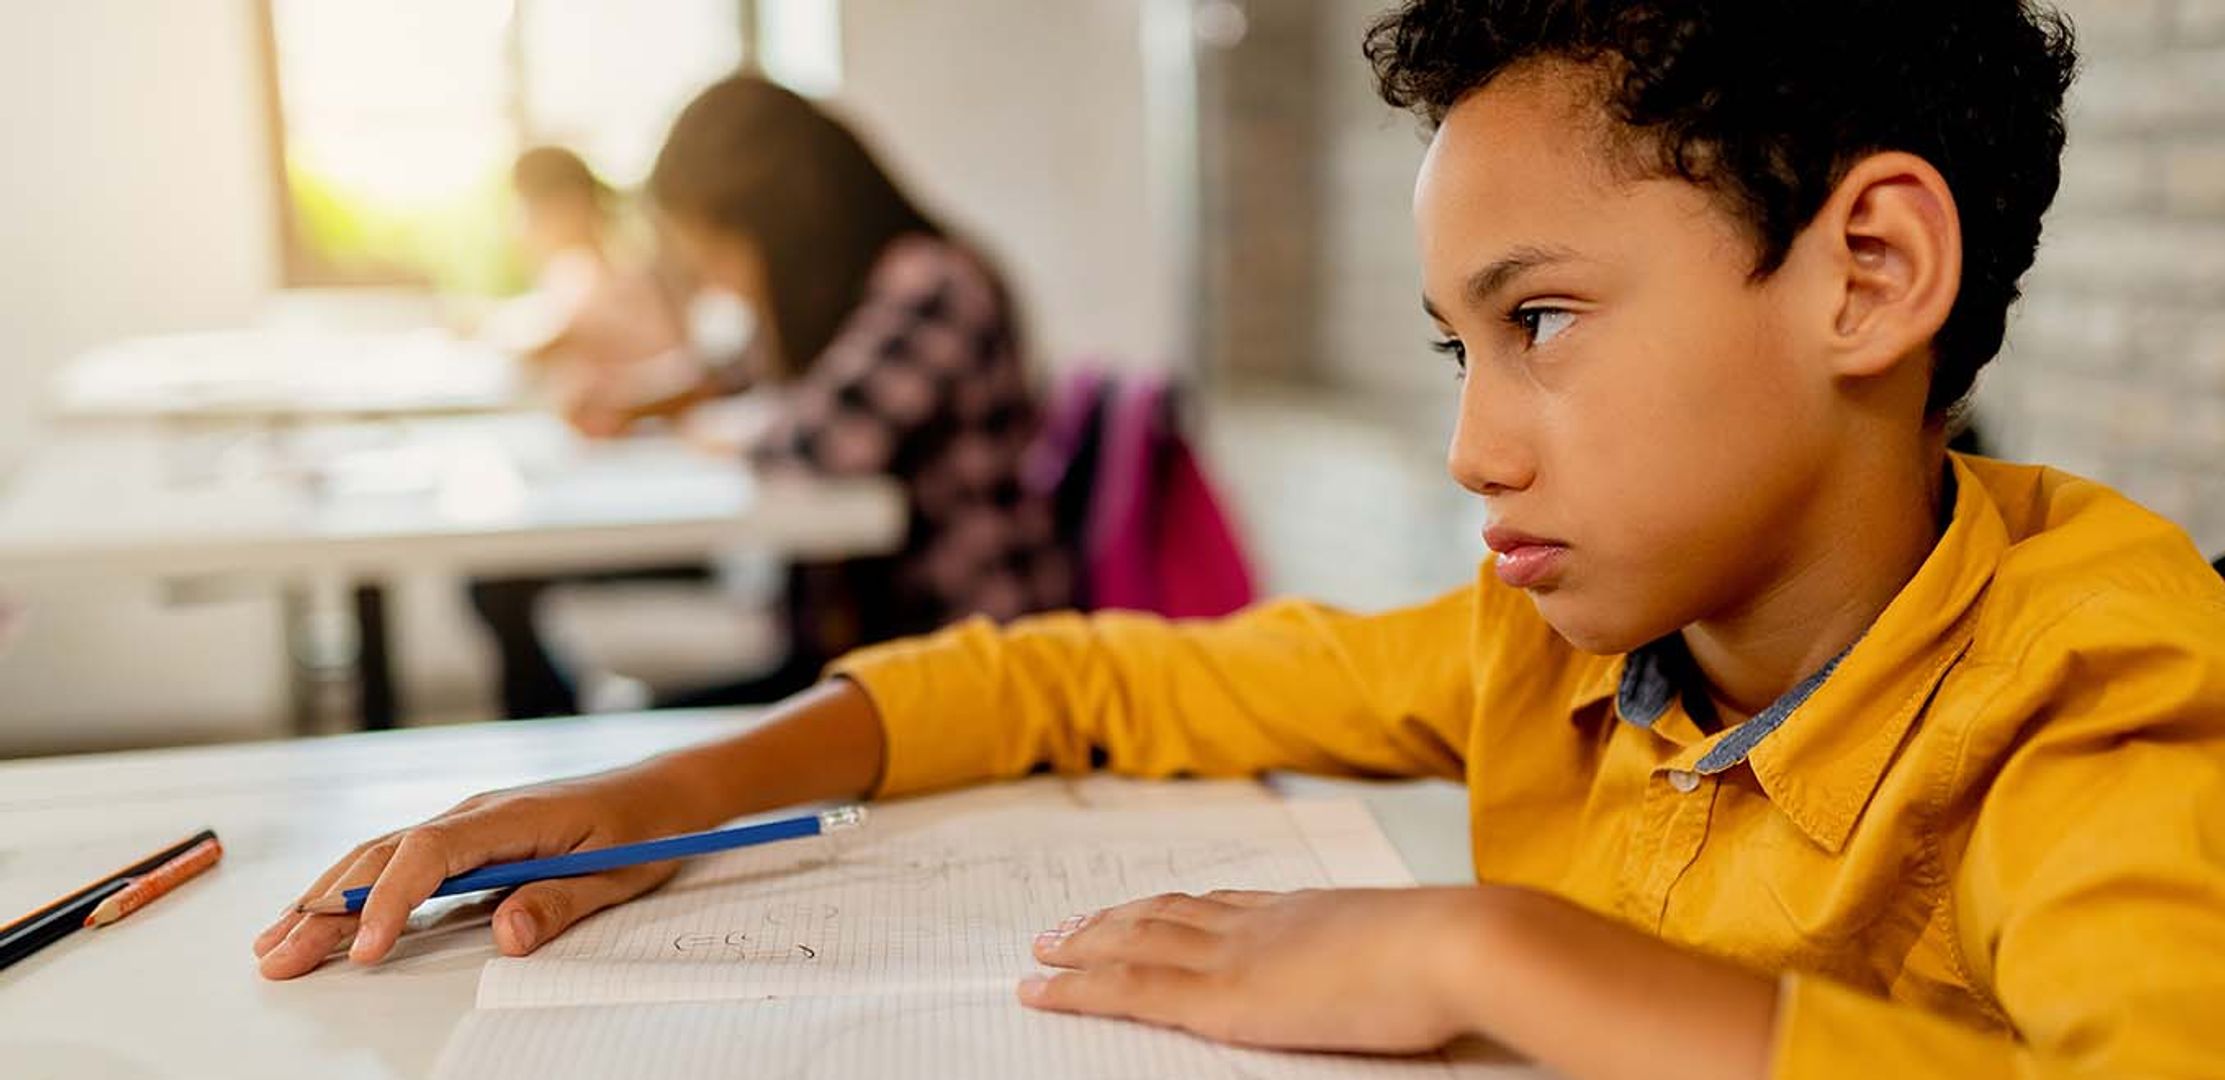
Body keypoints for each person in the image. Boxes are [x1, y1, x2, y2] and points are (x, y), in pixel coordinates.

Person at [257, 5, 2225, 1078]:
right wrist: (663, 788)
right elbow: (1077, 674)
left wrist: (1490, 948)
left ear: (1862, 274)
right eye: (1453, 348)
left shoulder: (2086, 685)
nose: (1468, 448)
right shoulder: (1534, 642)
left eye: (1536, 325)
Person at [474, 80, 1073, 716]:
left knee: (642, 741)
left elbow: (823, 442)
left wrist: (711, 431)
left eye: (720, 252)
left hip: (957, 655)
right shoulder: (841, 292)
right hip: (863, 648)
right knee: (537, 629)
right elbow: (731, 372)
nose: (722, 280)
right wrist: (639, 404)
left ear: (781, 222)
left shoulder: (931, 281)